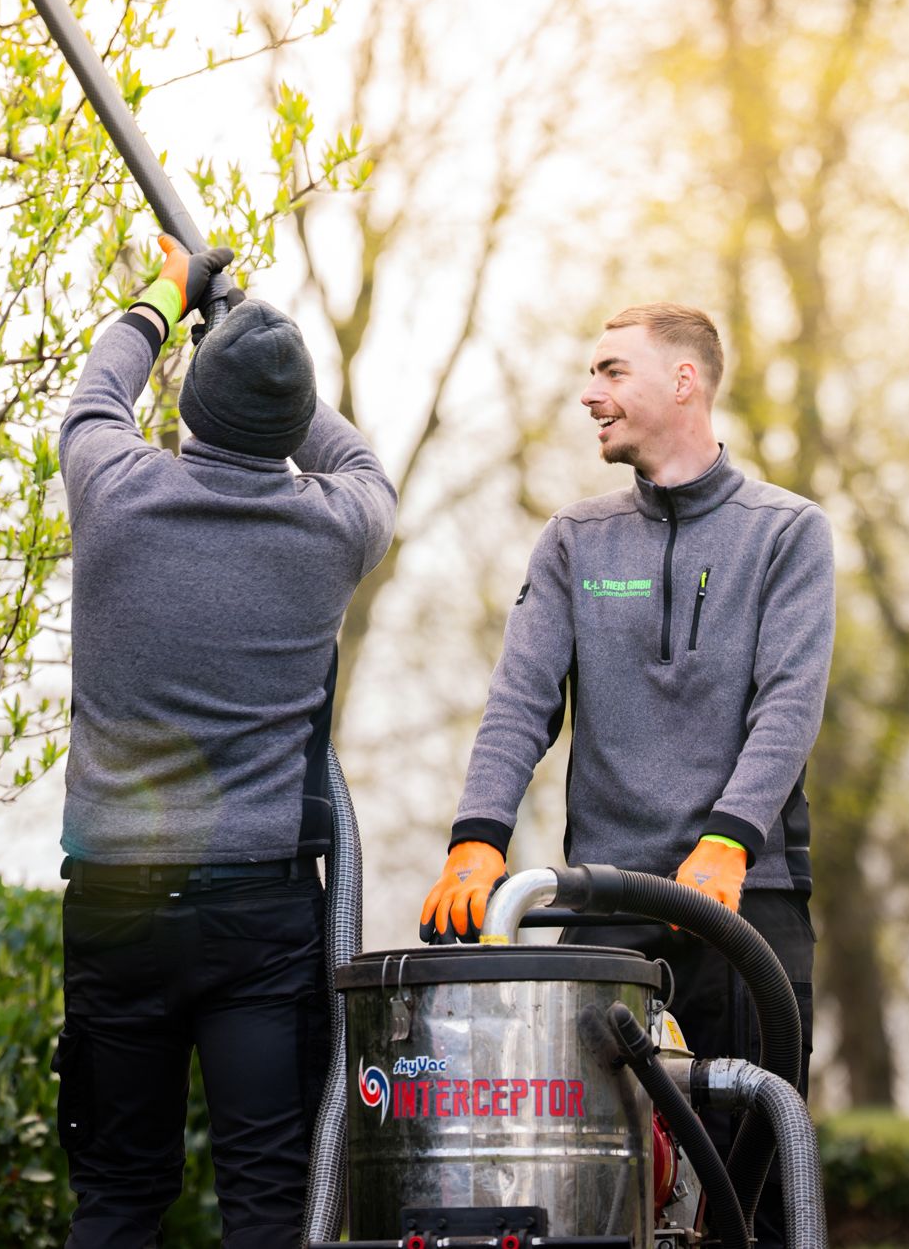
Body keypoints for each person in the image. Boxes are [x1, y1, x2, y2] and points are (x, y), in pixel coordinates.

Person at [419, 303, 834, 1249]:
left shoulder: (787, 533)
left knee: (754, 1201)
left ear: (684, 381)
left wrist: (729, 840)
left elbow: (788, 705)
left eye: (611, 371)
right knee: (594, 1196)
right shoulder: (576, 540)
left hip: (746, 910)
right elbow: (520, 701)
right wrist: (478, 839)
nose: (588, 393)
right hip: (605, 912)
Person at [55, 235, 396, 1249]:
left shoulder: (113, 489)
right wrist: (261, 342)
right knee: (269, 1205)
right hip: (260, 918)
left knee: (117, 1197)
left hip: (117, 903)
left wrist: (170, 297)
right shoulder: (334, 528)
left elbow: (98, 392)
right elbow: (358, 460)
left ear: (193, 404)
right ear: (291, 426)